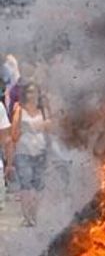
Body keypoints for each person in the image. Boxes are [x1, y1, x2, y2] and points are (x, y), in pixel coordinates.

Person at [7, 83, 50, 227]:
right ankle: (27, 217)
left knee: (38, 186)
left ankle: (34, 215)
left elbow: (51, 127)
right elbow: (13, 134)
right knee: (26, 185)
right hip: (23, 153)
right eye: (29, 92)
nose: (32, 95)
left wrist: (43, 125)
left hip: (40, 151)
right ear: (25, 94)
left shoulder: (43, 110)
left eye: (35, 92)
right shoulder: (20, 110)